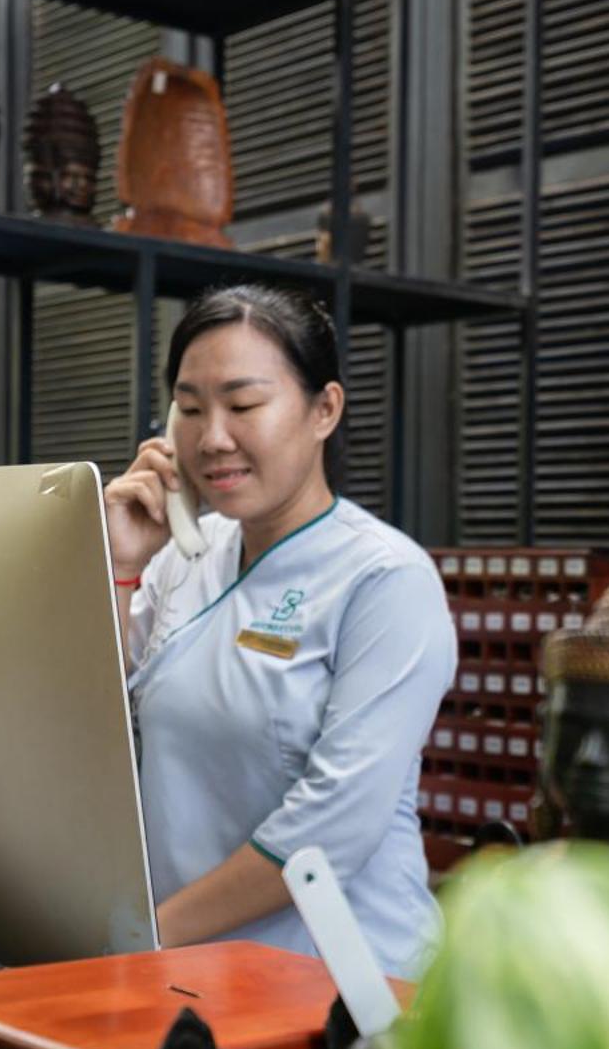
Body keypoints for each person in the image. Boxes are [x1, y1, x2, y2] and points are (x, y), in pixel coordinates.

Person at [103, 284, 452, 977]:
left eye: (243, 405)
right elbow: (94, 741)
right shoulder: (180, 558)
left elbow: (329, 830)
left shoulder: (385, 580)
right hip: (188, 972)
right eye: (192, 409)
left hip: (342, 987)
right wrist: (118, 565)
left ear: (324, 409)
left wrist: (141, 938)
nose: (213, 438)